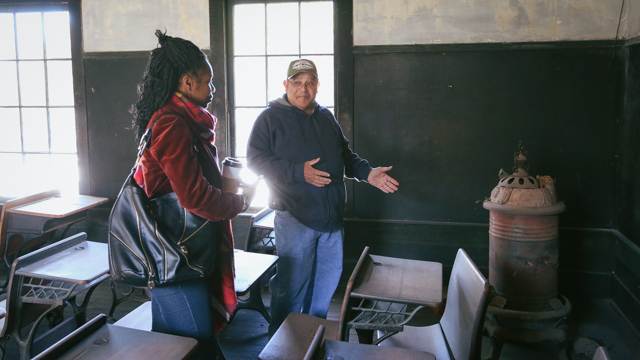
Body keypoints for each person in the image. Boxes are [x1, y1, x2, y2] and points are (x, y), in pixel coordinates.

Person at [246, 59, 399, 337]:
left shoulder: (325, 116)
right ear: (286, 85)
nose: (303, 89)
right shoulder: (269, 118)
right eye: (296, 82)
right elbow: (255, 161)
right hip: (294, 217)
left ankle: (310, 338)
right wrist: (297, 172)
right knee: (291, 287)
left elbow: (346, 157)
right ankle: (279, 344)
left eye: (309, 83)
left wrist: (368, 173)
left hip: (332, 221)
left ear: (317, 86)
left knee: (323, 288)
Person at [130, 30, 256, 359]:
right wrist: (239, 202)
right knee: (190, 347)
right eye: (208, 82)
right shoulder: (173, 123)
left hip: (181, 249)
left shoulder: (179, 119)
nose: (212, 90)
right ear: (188, 82)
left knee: (185, 344)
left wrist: (227, 189)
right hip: (177, 255)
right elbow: (195, 197)